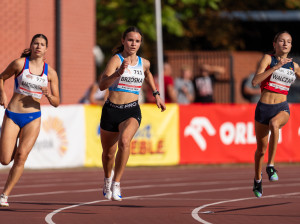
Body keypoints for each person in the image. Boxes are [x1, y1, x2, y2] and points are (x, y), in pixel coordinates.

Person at [99, 26, 166, 201]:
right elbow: (102, 85)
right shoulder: (116, 59)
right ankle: (107, 179)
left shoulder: (144, 62)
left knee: (125, 141)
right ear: (123, 41)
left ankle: (117, 183)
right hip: (111, 110)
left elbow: (148, 74)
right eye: (130, 40)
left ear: (140, 43)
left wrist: (156, 94)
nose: (133, 44)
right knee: (107, 154)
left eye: (137, 41)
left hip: (131, 110)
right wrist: (118, 73)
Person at [0, 34, 60, 207]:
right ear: (31, 46)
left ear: (46, 49)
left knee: (21, 157)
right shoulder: (20, 64)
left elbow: (56, 102)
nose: (39, 46)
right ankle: (11, 143)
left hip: (33, 117)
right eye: (36, 43)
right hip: (13, 114)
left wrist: (48, 95)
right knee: (4, 160)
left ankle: (5, 195)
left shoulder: (51, 73)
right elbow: (1, 77)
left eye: (42, 44)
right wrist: (2, 93)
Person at [252, 31, 300, 198]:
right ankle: (257, 179)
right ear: (275, 44)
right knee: (260, 151)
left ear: (291, 45)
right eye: (281, 41)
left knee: (275, 124)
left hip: (282, 108)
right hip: (263, 109)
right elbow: (255, 81)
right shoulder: (268, 59)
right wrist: (276, 67)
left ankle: (271, 166)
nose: (285, 44)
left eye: (288, 41)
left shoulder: (294, 67)